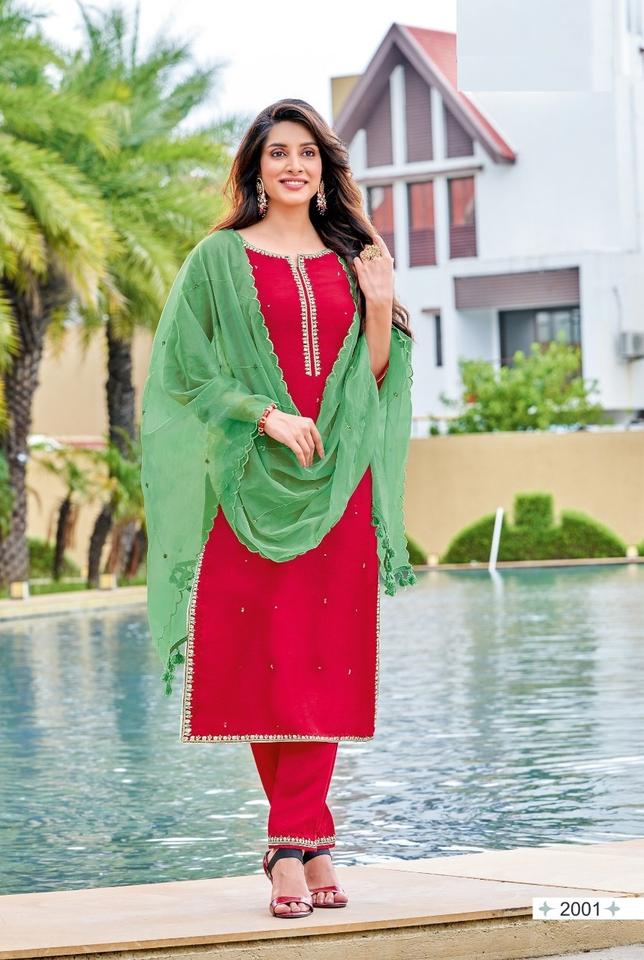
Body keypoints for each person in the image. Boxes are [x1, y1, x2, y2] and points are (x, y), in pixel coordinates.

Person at [140, 98, 416, 920]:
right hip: (247, 480)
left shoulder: (355, 256)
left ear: (324, 168)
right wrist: (265, 414)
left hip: (337, 480)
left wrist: (377, 303)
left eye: (306, 153)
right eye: (277, 153)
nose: (293, 165)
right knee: (265, 658)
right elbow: (185, 370)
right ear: (256, 168)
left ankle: (291, 844)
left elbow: (374, 378)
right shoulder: (218, 259)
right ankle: (307, 841)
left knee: (321, 658)